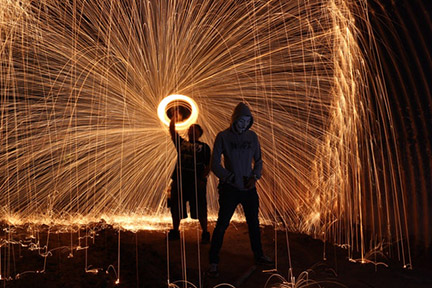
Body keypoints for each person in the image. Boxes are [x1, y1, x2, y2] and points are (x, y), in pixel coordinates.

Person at [208, 102, 273, 277]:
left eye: (247, 120)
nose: (244, 124)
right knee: (222, 225)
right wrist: (229, 178)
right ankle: (213, 261)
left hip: (249, 188)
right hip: (230, 189)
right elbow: (214, 164)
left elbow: (258, 160)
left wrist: (255, 177)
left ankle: (259, 255)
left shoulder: (253, 137)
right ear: (234, 120)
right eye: (241, 120)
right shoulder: (223, 137)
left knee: (254, 223)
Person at [168, 112, 211, 244]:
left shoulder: (204, 147)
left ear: (199, 133)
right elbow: (171, 130)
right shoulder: (181, 143)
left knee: (201, 209)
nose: (191, 132)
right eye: (190, 130)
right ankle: (175, 231)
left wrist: (202, 180)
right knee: (176, 207)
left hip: (195, 183)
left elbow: (209, 165)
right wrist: (174, 117)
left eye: (194, 130)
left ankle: (205, 233)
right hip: (179, 182)